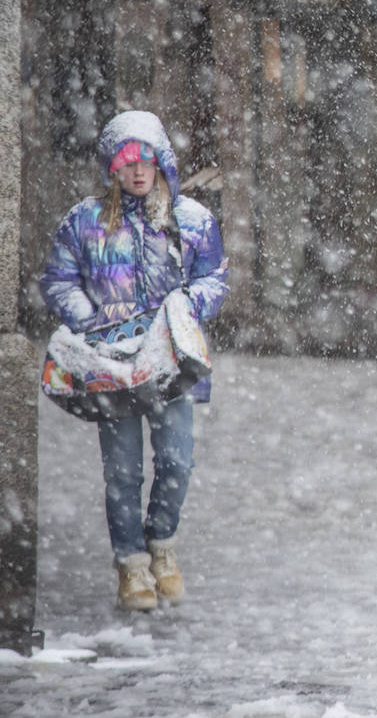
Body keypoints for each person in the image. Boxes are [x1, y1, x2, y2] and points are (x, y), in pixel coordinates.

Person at [40, 110, 229, 611]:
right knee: (122, 471)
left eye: (147, 160)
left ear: (162, 162)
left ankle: (161, 544)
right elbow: (58, 280)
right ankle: (131, 564)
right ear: (112, 169)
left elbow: (214, 277)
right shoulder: (84, 222)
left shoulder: (191, 221)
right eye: (126, 163)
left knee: (177, 461)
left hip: (169, 365)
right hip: (111, 368)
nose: (138, 172)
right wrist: (89, 319)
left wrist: (187, 306)